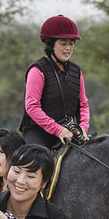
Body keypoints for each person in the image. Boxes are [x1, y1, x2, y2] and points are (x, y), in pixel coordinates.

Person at [19, 15, 89, 149]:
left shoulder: (77, 71)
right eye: (63, 44)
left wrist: (83, 127)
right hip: (39, 132)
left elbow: (83, 104)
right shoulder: (37, 70)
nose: (68, 48)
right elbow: (32, 107)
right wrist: (57, 129)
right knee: (38, 161)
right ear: (51, 45)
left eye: (71, 43)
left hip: (69, 131)